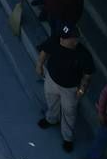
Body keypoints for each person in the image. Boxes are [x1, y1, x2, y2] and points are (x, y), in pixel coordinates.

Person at [36, 24, 94, 152]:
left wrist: (82, 89)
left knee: (69, 112)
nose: (62, 39)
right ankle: (51, 119)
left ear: (74, 40)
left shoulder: (83, 54)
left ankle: (67, 138)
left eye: (66, 38)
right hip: (51, 80)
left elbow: (87, 74)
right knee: (51, 101)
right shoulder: (56, 40)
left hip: (70, 88)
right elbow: (45, 51)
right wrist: (39, 65)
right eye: (62, 36)